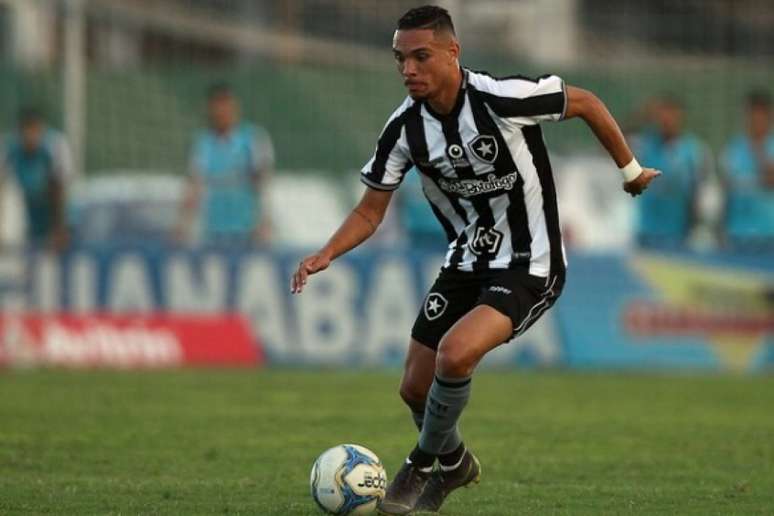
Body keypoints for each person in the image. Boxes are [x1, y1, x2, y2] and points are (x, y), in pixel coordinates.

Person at [290, 6, 660, 514]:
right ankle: (457, 464)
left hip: (532, 264)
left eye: (420, 57)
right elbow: (370, 210)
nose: (408, 70)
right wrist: (325, 253)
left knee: (456, 353)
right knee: (413, 388)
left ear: (452, 52)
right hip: (466, 262)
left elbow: (588, 103)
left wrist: (631, 170)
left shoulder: (500, 98)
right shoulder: (404, 129)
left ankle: (419, 466)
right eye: (400, 59)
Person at [178, 83, 275, 245]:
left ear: (234, 107)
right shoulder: (203, 143)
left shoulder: (253, 139)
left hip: (247, 229)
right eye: (216, 107)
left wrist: (264, 222)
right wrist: (183, 224)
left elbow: (262, 183)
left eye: (225, 106)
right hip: (213, 229)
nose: (221, 112)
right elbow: (195, 185)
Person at [631, 95, 713, 248]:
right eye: (662, 114)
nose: (666, 120)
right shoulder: (644, 145)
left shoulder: (694, 151)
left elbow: (701, 192)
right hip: (646, 234)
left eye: (671, 114)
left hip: (680, 236)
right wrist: (640, 116)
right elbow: (613, 137)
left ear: (680, 116)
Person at [0, 107, 72, 251]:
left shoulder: (55, 146)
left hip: (58, 211)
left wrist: (59, 228)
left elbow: (59, 187)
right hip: (32, 212)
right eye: (26, 131)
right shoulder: (9, 148)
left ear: (41, 129)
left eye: (34, 131)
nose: (30, 137)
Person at [722, 90, 774, 247]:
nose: (756, 120)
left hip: (769, 235)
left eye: (760, 115)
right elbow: (726, 191)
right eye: (752, 115)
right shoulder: (732, 150)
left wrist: (759, 149)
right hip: (737, 234)